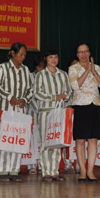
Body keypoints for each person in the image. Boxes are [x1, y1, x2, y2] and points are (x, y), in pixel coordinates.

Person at [0, 42, 33, 182]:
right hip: (6, 109)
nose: (22, 57)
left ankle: (15, 170)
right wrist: (9, 97)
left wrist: (25, 99)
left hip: (21, 111)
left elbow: (30, 89)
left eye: (24, 55)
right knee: (6, 139)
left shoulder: (26, 70)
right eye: (20, 54)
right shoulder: (3, 67)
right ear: (12, 53)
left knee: (18, 139)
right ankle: (3, 170)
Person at [69, 43, 100, 183]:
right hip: (80, 106)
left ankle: (90, 171)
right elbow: (75, 86)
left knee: (93, 139)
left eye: (86, 51)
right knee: (80, 140)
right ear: (77, 54)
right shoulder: (73, 68)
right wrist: (87, 71)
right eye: (80, 52)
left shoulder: (97, 67)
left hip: (95, 105)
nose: (83, 54)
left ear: (90, 53)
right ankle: (82, 171)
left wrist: (94, 71)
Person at [34, 49, 72, 182]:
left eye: (56, 57)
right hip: (45, 111)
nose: (54, 60)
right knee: (46, 142)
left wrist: (64, 96)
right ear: (46, 59)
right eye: (51, 57)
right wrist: (54, 97)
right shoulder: (40, 75)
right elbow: (37, 93)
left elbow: (69, 91)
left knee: (57, 142)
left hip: (59, 112)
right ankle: (46, 171)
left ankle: (55, 171)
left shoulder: (63, 74)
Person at [26, 54, 45, 175]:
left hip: (45, 113)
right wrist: (38, 109)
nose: (40, 69)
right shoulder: (30, 76)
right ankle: (32, 165)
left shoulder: (47, 76)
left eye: (43, 66)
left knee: (43, 139)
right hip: (32, 112)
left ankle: (43, 164)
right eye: (39, 66)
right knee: (32, 139)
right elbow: (30, 95)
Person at [63, 57, 79, 174]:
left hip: (80, 112)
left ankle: (79, 164)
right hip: (67, 112)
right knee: (67, 139)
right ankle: (68, 164)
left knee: (80, 139)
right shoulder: (64, 79)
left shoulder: (84, 80)